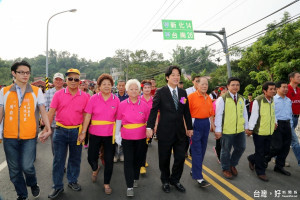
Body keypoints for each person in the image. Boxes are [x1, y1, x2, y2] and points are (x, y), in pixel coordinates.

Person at [0, 60, 51, 200]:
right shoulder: (4, 91)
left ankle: (33, 183)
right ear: (14, 73)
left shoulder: (36, 91)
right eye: (21, 72)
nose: (25, 75)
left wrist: (48, 127)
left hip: (29, 137)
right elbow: (1, 113)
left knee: (27, 166)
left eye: (27, 72)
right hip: (9, 137)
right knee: (15, 170)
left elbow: (43, 111)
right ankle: (22, 195)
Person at [40, 68, 89, 199]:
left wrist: (84, 132)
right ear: (66, 80)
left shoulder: (85, 96)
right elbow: (51, 113)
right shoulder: (58, 94)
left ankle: (72, 181)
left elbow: (86, 116)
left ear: (79, 81)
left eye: (76, 79)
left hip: (76, 131)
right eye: (70, 79)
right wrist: (46, 130)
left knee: (75, 158)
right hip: (60, 131)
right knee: (58, 160)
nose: (73, 81)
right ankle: (57, 186)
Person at [146, 66, 193, 193]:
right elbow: (154, 110)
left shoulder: (183, 93)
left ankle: (175, 180)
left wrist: (189, 127)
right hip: (165, 132)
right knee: (164, 159)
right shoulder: (160, 92)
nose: (176, 77)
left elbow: (186, 112)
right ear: (167, 77)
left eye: (178, 75)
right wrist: (149, 127)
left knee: (180, 158)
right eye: (173, 75)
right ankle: (165, 180)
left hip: (180, 133)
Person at [79, 74, 120, 195]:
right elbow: (87, 116)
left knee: (109, 160)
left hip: (109, 135)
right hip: (95, 134)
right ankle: (95, 168)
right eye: (104, 84)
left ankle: (107, 183)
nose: (107, 86)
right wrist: (83, 132)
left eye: (109, 84)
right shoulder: (93, 98)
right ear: (99, 86)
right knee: (91, 157)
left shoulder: (116, 99)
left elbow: (118, 119)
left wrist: (118, 134)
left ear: (112, 86)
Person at [115, 79, 149, 197]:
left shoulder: (144, 105)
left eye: (136, 89)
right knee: (128, 161)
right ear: (127, 90)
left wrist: (150, 130)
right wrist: (117, 134)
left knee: (138, 160)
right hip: (127, 137)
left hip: (141, 137)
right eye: (131, 89)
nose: (134, 91)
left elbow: (148, 121)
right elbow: (119, 120)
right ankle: (129, 186)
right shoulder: (122, 104)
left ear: (139, 91)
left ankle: (135, 178)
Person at [215, 77, 248, 179]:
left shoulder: (242, 99)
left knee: (241, 147)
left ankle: (232, 164)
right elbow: (219, 115)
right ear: (228, 86)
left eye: (237, 85)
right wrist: (218, 130)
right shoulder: (222, 99)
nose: (235, 87)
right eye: (233, 85)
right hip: (227, 130)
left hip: (239, 130)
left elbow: (245, 114)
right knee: (225, 150)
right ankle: (225, 168)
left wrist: (246, 127)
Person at [247, 82, 276, 182]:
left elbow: (273, 113)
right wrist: (250, 129)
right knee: (260, 152)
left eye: (274, 89)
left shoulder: (272, 100)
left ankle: (251, 158)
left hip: (269, 130)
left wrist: (275, 122)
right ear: (265, 90)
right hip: (259, 132)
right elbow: (254, 116)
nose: (273, 91)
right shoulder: (258, 101)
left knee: (267, 151)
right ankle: (261, 172)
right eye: (271, 89)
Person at [188, 77, 214, 187]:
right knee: (197, 150)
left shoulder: (208, 97)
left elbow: (211, 113)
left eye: (206, 84)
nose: (204, 86)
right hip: (195, 124)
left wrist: (212, 125)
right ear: (197, 85)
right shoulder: (191, 97)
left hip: (205, 124)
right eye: (202, 84)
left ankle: (195, 169)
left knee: (202, 150)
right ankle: (199, 177)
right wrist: (187, 128)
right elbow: (185, 113)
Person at [265, 81, 293, 176]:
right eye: (283, 87)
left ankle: (279, 166)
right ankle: (263, 159)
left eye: (286, 87)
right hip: (277, 125)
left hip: (287, 125)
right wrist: (273, 123)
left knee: (286, 147)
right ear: (277, 89)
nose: (286, 89)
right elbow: (270, 113)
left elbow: (290, 113)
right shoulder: (273, 100)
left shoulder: (288, 100)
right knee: (276, 147)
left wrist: (291, 125)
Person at [44, 72, 65, 155]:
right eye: (56, 79)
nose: (58, 81)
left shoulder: (67, 92)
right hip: (52, 124)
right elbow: (45, 107)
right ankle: (57, 164)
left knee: (63, 146)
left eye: (60, 80)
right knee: (54, 145)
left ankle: (61, 164)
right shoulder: (48, 92)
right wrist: (45, 121)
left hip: (64, 124)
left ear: (63, 82)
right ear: (53, 81)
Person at [139, 80, 153, 174]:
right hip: (140, 125)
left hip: (150, 126)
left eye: (149, 88)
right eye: (145, 88)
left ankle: (142, 160)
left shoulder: (155, 99)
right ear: (142, 89)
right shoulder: (139, 99)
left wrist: (155, 125)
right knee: (141, 145)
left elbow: (157, 113)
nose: (147, 89)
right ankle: (141, 164)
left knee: (146, 145)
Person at [286, 71, 300, 166]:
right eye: (298, 77)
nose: (299, 78)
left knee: (286, 140)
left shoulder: (299, 90)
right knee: (294, 141)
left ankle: (276, 157)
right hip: (288, 118)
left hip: (296, 117)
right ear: (291, 78)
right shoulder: (285, 89)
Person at [114, 80, 129, 162]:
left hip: (125, 121)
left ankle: (122, 154)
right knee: (116, 138)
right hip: (116, 120)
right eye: (119, 85)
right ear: (117, 86)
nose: (121, 87)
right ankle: (116, 154)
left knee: (124, 138)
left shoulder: (128, 96)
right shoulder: (114, 96)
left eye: (123, 85)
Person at [212, 86, 227, 163]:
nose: (225, 94)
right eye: (223, 92)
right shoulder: (216, 102)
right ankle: (219, 156)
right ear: (220, 93)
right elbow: (213, 114)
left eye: (226, 92)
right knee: (219, 141)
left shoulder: (228, 101)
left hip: (227, 124)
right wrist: (213, 126)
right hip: (218, 124)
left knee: (225, 142)